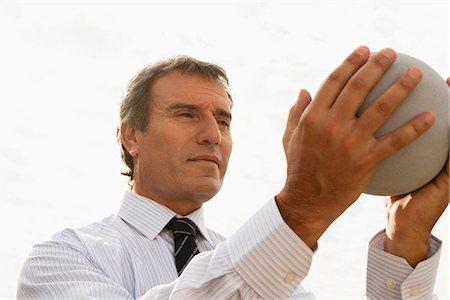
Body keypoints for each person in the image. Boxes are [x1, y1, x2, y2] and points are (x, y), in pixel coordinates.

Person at [17, 46, 449, 300]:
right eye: (186, 114)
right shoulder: (62, 260)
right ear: (132, 136)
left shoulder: (282, 281)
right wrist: (301, 210)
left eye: (223, 121)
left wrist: (405, 241)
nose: (211, 135)